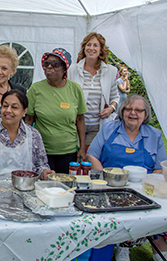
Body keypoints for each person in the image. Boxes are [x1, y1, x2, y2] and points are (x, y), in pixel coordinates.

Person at [87, 94, 167, 261]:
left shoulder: (155, 135)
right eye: (129, 109)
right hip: (110, 186)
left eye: (138, 110)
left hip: (142, 190)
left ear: (146, 114)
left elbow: (160, 169)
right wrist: (104, 180)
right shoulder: (109, 128)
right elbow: (92, 155)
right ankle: (121, 245)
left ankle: (155, 250)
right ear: (122, 111)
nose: (133, 113)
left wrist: (146, 186)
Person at [25, 48, 87, 174]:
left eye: (55, 64)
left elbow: (80, 119)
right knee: (42, 187)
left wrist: (82, 148)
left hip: (68, 151)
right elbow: (28, 120)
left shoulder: (75, 89)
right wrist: (26, 146)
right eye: (47, 63)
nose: (49, 67)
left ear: (65, 68)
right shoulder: (36, 89)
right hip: (41, 151)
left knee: (64, 186)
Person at [69, 32, 120, 146]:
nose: (91, 48)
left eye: (95, 45)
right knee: (75, 156)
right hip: (75, 124)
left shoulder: (110, 71)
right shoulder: (73, 70)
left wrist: (111, 108)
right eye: (88, 45)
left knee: (88, 156)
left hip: (97, 125)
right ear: (84, 48)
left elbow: (115, 96)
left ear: (101, 49)